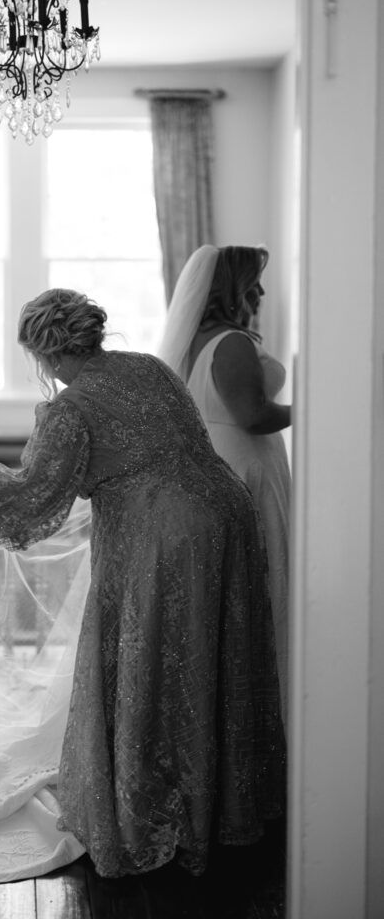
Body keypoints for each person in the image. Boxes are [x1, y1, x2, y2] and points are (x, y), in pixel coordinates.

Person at [0, 287, 285, 880]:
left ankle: (160, 810)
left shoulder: (70, 409)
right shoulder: (148, 367)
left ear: (43, 354)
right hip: (227, 510)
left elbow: (33, 496)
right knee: (216, 653)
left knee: (156, 659)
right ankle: (224, 808)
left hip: (162, 534)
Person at [158, 244, 291, 723]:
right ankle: (256, 708)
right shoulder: (231, 342)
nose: (258, 291)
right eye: (252, 282)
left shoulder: (200, 339)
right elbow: (253, 416)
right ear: (230, 287)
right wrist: (313, 405)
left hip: (225, 462)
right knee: (261, 578)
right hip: (243, 467)